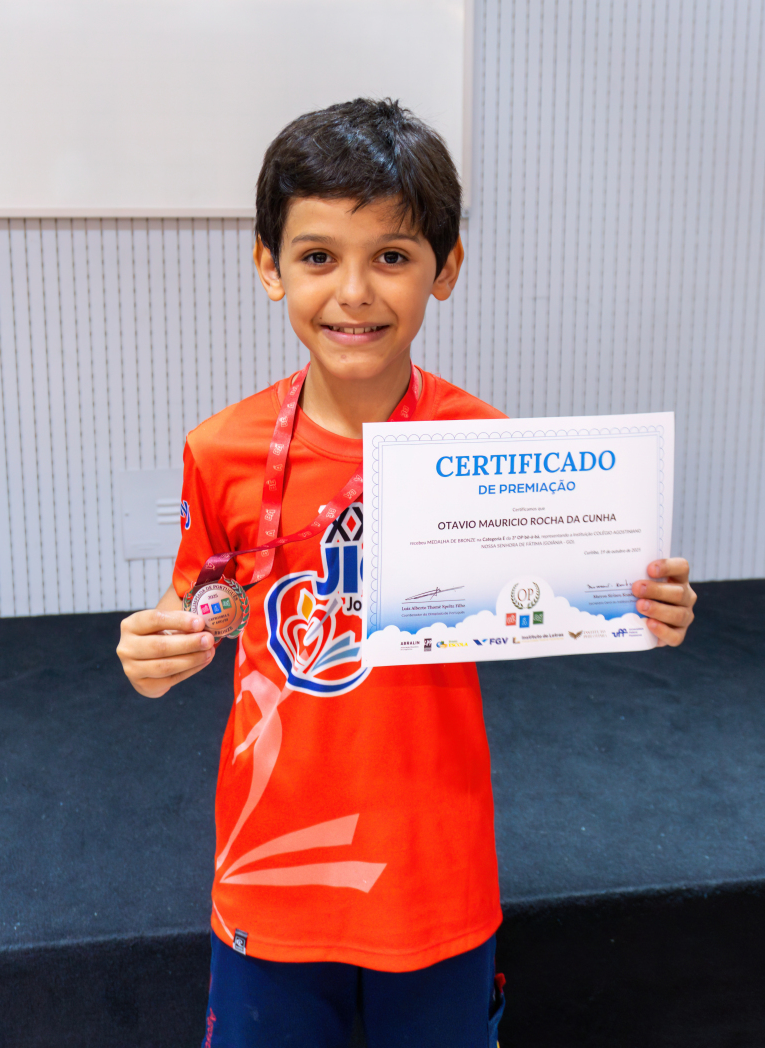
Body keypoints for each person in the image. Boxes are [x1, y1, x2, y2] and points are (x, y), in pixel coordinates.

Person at [116, 98, 697, 1048]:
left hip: (434, 874)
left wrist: (649, 605)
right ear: (269, 266)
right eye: (318, 256)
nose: (354, 292)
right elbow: (205, 600)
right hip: (272, 872)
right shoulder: (220, 450)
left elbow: (569, 590)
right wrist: (164, 644)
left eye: (391, 255)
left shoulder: (486, 447)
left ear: (446, 268)